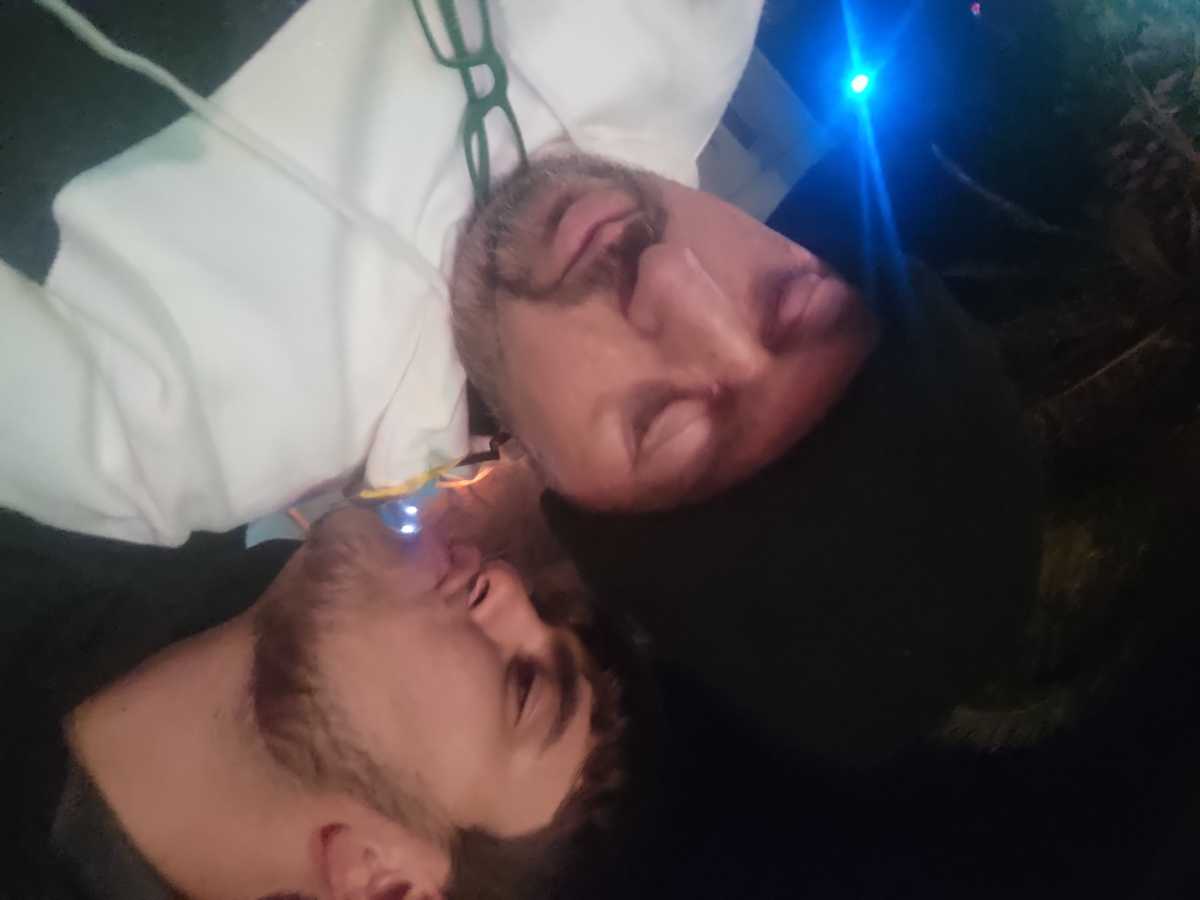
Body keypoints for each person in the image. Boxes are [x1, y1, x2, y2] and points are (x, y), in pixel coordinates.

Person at [0, 0, 762, 545]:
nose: (671, 276)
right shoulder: (691, 24)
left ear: (550, 478)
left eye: (661, 420)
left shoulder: (187, 442)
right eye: (790, 297)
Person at [0, 506, 634, 900]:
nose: (504, 582)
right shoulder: (153, 493)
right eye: (540, 605)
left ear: (384, 882)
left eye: (525, 689)